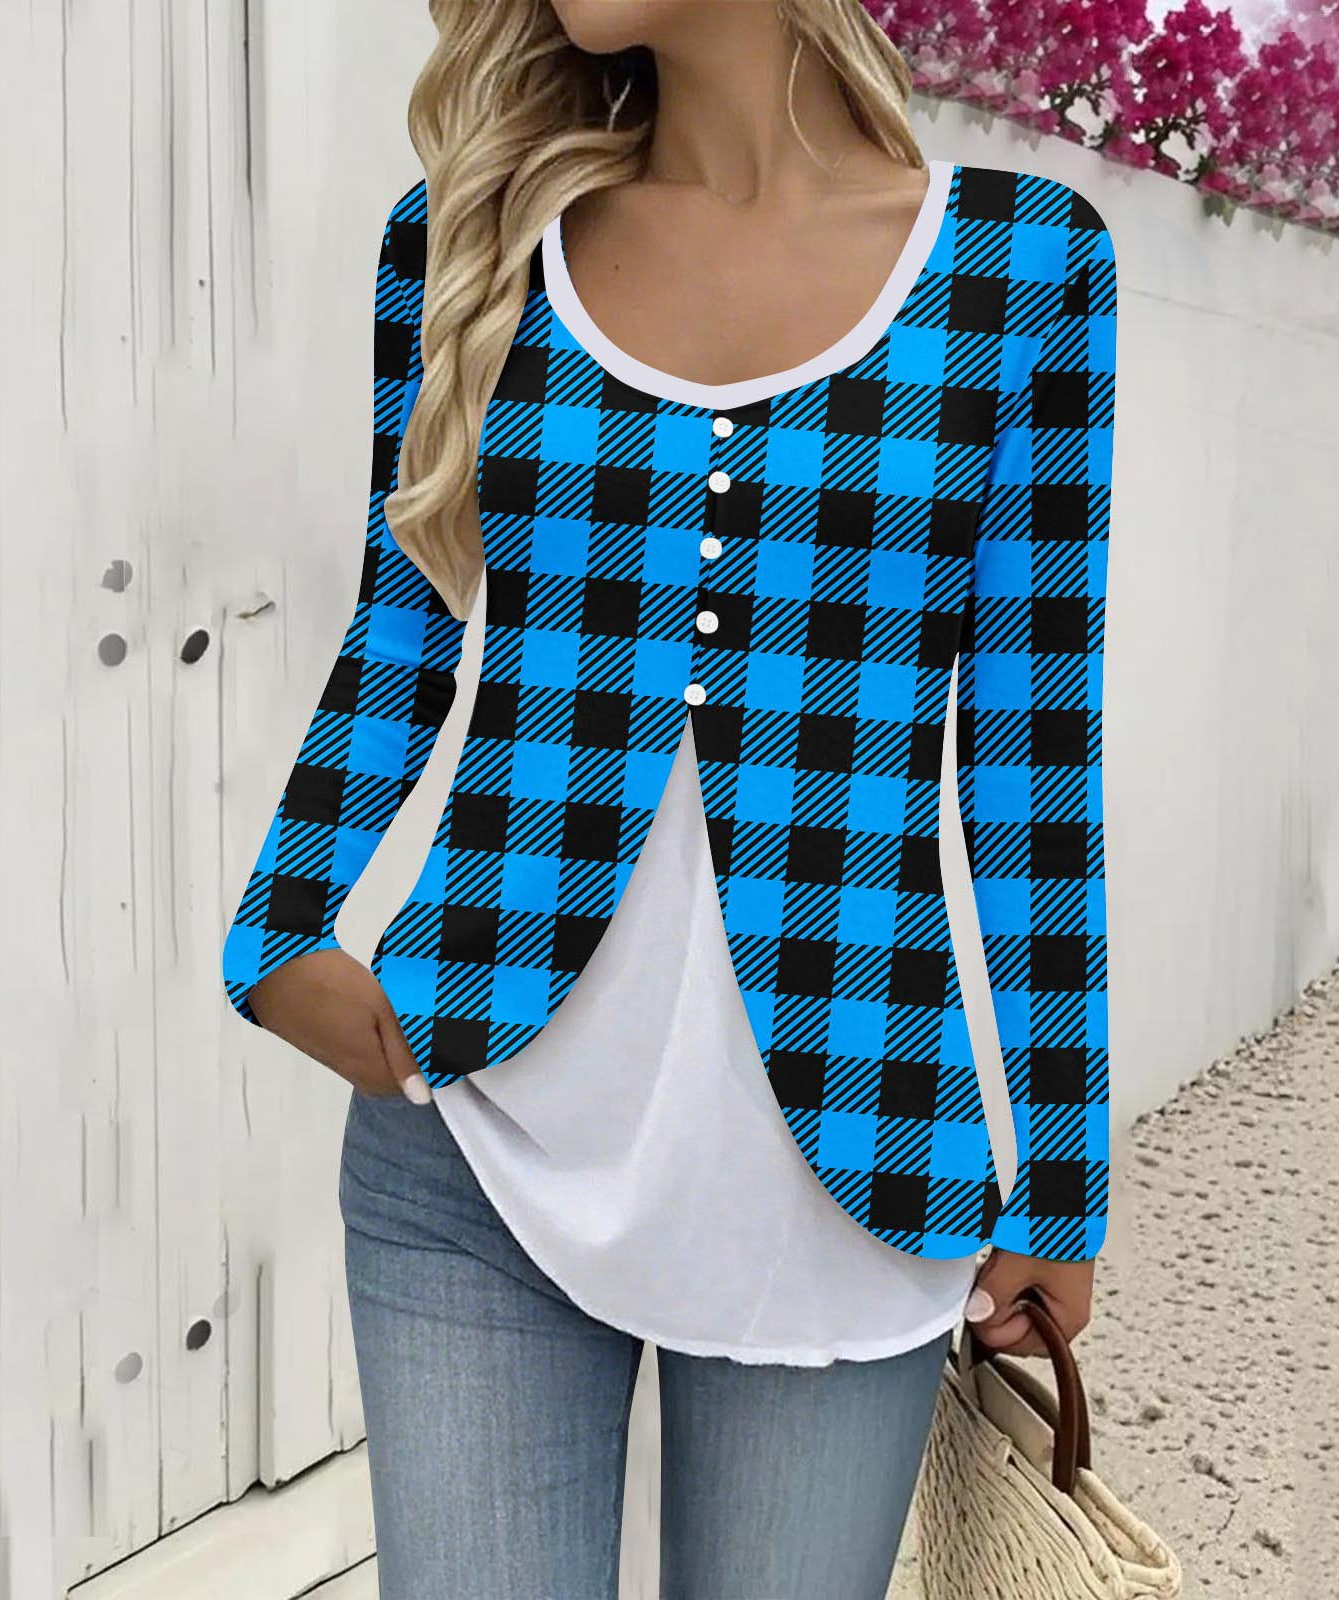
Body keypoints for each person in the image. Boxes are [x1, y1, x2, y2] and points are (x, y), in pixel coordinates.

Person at [221, 2, 1116, 1594]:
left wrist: (1062, 1175)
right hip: (473, 1147)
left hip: (853, 1176)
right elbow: (405, 621)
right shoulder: (470, 238)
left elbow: (1031, 756)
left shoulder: (1022, 269)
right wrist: (280, 927)